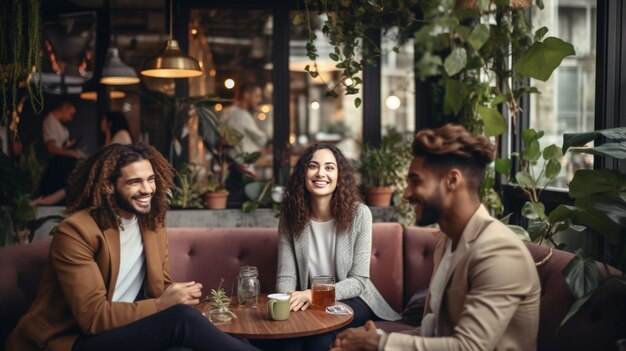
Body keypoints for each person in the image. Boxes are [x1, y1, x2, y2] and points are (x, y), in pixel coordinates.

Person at [7, 143, 260, 351]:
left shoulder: (152, 223)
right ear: (108, 185)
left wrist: (181, 294)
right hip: (71, 339)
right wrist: (165, 304)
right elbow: (93, 317)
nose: (147, 189)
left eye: (151, 179)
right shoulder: (76, 232)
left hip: (122, 329)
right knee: (181, 320)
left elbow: (159, 286)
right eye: (135, 182)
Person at [332, 124, 541, 351]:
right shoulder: (447, 243)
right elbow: (432, 332)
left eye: (416, 181)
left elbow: (470, 347)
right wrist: (370, 339)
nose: (406, 194)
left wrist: (378, 343)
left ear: (452, 181)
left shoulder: (498, 251)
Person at [272, 143, 400, 351]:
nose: (320, 173)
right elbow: (285, 275)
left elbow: (358, 281)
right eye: (313, 166)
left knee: (320, 336)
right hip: (308, 301)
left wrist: (312, 295)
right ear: (303, 174)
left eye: (329, 167)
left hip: (354, 299)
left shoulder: (360, 215)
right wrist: (291, 302)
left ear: (339, 176)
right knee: (290, 338)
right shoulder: (290, 216)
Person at [221, 83, 268, 155]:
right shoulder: (239, 115)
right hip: (241, 163)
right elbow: (261, 139)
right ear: (246, 95)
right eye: (257, 96)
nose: (259, 100)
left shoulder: (233, 112)